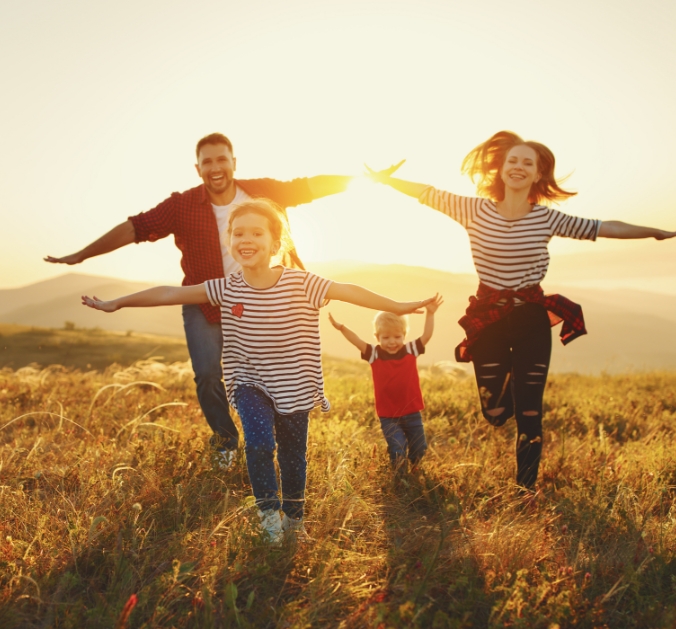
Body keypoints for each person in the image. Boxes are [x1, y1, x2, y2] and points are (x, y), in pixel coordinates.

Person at [82, 197, 437, 544]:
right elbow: (169, 293)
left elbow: (348, 290)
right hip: (248, 383)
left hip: (295, 385)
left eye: (256, 233)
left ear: (275, 244)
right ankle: (268, 515)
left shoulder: (302, 283)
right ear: (230, 241)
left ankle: (294, 518)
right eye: (238, 233)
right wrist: (118, 302)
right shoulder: (226, 288)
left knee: (293, 455)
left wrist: (399, 306)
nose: (246, 240)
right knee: (259, 442)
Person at [367, 131, 676, 491]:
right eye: (513, 160)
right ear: (500, 169)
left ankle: (525, 490)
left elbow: (604, 227)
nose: (519, 166)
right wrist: (385, 179)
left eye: (527, 163)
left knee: (531, 413)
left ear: (537, 175)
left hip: (530, 317)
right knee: (495, 413)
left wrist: (655, 231)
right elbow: (426, 193)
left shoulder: (546, 218)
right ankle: (514, 387)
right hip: (489, 318)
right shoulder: (473, 209)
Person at [45, 132, 366, 469]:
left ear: (233, 163)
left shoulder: (262, 191)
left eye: (221, 159)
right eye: (208, 161)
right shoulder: (182, 205)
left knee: (271, 372)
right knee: (208, 374)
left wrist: (368, 179)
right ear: (198, 168)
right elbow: (135, 228)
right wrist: (81, 255)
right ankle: (226, 442)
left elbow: (310, 186)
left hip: (264, 301)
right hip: (206, 301)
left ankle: (273, 437)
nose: (215, 167)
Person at [328, 296, 442, 473]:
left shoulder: (410, 349)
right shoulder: (374, 353)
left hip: (412, 412)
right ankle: (400, 479)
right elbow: (356, 340)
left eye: (397, 336)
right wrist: (342, 327)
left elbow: (426, 335)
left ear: (404, 335)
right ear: (377, 337)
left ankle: (415, 468)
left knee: (419, 448)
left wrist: (430, 313)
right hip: (388, 416)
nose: (392, 341)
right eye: (386, 337)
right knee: (398, 449)